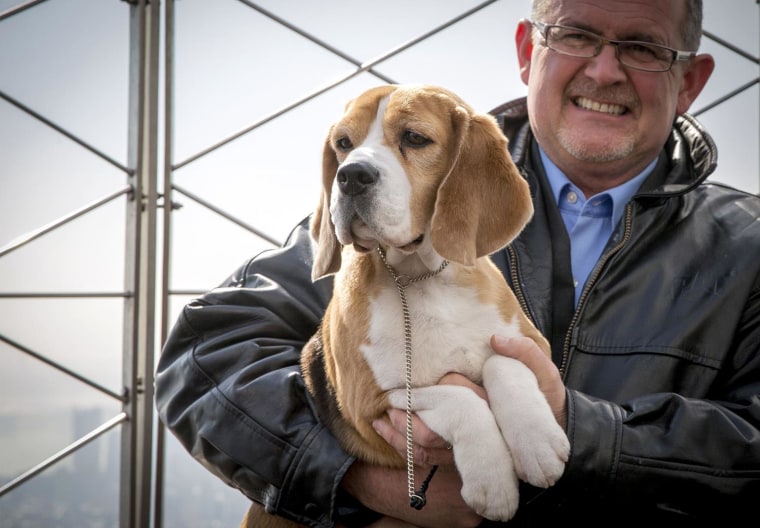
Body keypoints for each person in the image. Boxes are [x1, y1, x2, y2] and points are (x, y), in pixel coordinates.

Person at [155, 0, 760, 526]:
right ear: (528, 52)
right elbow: (202, 357)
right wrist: (363, 481)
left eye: (643, 46)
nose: (604, 70)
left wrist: (582, 432)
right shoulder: (389, 207)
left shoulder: (750, 248)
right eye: (575, 35)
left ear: (691, 81)